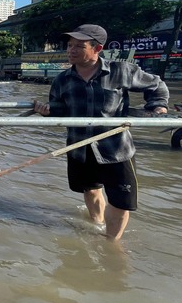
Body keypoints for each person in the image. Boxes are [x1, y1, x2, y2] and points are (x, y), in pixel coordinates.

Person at [33, 24, 169, 241]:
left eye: (79, 46)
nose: (71, 50)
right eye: (69, 45)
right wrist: (47, 111)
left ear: (97, 48)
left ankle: (111, 244)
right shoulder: (62, 80)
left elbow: (157, 85)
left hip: (115, 148)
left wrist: (158, 106)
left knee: (121, 202)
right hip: (79, 147)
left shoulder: (121, 71)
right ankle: (97, 226)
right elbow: (60, 108)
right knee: (91, 190)